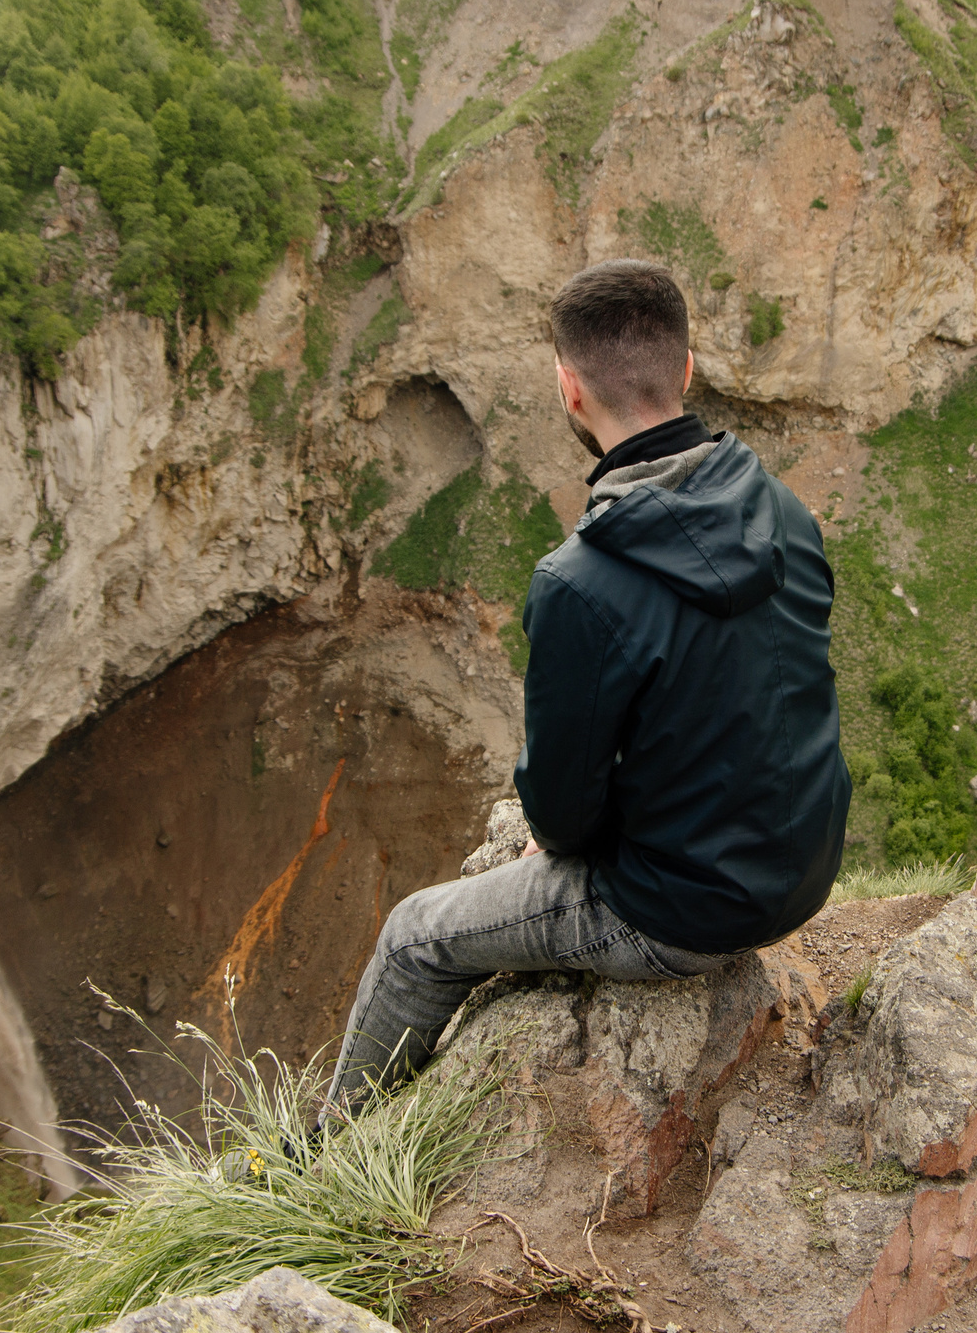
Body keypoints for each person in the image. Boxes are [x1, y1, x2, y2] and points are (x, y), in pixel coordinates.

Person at [330, 258, 851, 1106]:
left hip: (683, 914)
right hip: (809, 862)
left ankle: (317, 1162)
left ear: (570, 391)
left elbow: (562, 814)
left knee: (409, 938)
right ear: (686, 370)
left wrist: (569, 838)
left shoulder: (579, 583)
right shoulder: (787, 511)